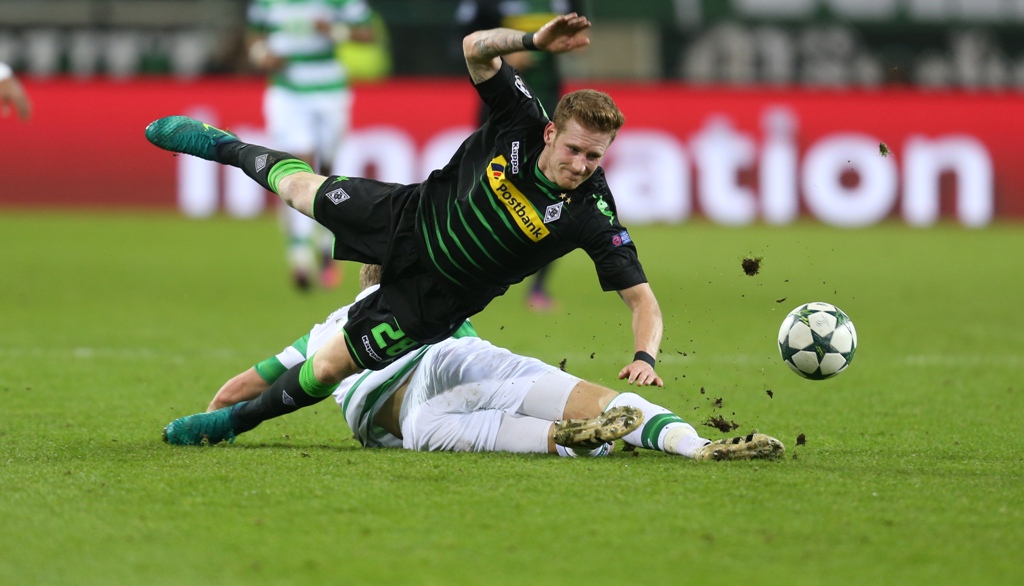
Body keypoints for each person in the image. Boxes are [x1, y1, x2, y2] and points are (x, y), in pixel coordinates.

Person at [145, 13, 664, 447]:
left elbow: (641, 299)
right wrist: (531, 41)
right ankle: (221, 144)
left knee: (326, 370)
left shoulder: (592, 211)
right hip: (406, 217)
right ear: (550, 132)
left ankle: (233, 424)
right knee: (299, 189)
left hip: (432, 301)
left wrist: (644, 356)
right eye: (574, 149)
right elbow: (475, 48)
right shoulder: (521, 120)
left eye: (594, 157)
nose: (580, 165)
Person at [167, 264, 785, 461]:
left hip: (412, 423)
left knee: (515, 436)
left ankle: (566, 440)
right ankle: (691, 444)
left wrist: (214, 417)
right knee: (586, 400)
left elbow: (241, 389)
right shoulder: (439, 298)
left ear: (363, 282)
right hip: (454, 361)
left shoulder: (327, 331)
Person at [456, 0, 590, 310]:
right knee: (482, 190)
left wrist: (572, 41)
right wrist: (507, 53)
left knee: (560, 192)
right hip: (500, 109)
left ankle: (539, 287)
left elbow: (581, 35)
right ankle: (466, 272)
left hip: (551, 109)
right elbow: (460, 45)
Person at [247, 0, 375, 291]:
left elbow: (367, 33)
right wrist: (260, 55)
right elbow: (254, 34)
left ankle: (325, 240)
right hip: (287, 89)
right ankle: (300, 252)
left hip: (328, 87)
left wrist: (334, 30)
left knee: (326, 168)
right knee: (297, 162)